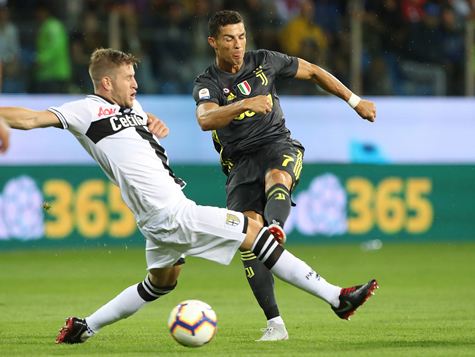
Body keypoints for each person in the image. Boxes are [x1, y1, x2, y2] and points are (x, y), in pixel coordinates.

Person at [0, 48, 377, 345]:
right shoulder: (84, 110)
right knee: (255, 232)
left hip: (154, 219)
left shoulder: (132, 109)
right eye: (128, 78)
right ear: (105, 83)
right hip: (172, 212)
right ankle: (336, 298)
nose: (135, 83)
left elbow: (134, 140)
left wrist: (151, 127)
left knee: (161, 283)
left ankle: (86, 327)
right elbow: (31, 118)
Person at [193, 10, 376, 341]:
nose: (238, 45)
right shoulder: (208, 83)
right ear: (213, 42)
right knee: (248, 239)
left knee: (278, 177)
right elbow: (206, 119)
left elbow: (315, 71)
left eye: (242, 36)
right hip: (239, 163)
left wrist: (354, 100)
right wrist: (245, 103)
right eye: (229, 39)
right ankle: (275, 324)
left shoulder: (265, 60)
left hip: (278, 145)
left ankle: (275, 227)